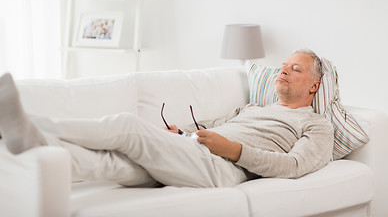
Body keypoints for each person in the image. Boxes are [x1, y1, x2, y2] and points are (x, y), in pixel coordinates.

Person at [0, 49, 334, 188]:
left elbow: (293, 167)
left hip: (225, 168)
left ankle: (34, 124)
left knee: (126, 127)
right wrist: (182, 131)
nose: (283, 71)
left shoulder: (317, 125)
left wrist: (232, 149)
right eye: (283, 66)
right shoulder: (253, 109)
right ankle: (25, 153)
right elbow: (212, 126)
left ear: (314, 85)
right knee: (111, 165)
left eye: (295, 69)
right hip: (197, 152)